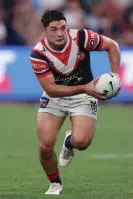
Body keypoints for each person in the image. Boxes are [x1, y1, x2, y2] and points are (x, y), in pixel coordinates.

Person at [30, 10, 120, 195]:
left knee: (82, 142)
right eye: (54, 29)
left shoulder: (81, 37)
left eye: (62, 27)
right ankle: (55, 183)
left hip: (84, 95)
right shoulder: (38, 54)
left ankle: (69, 142)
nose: (60, 33)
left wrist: (115, 76)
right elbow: (52, 89)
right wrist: (85, 88)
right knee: (45, 145)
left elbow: (112, 46)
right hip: (56, 97)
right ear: (44, 31)